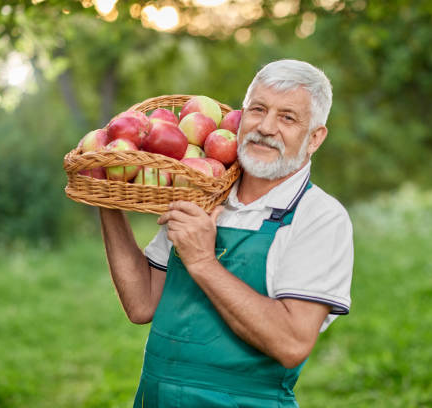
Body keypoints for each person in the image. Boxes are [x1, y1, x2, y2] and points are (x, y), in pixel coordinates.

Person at [99, 59, 354, 407]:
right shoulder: (199, 192)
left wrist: (202, 260)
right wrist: (106, 196)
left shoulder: (319, 218)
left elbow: (291, 344)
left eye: (287, 117)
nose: (265, 127)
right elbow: (142, 304)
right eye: (258, 110)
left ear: (314, 138)